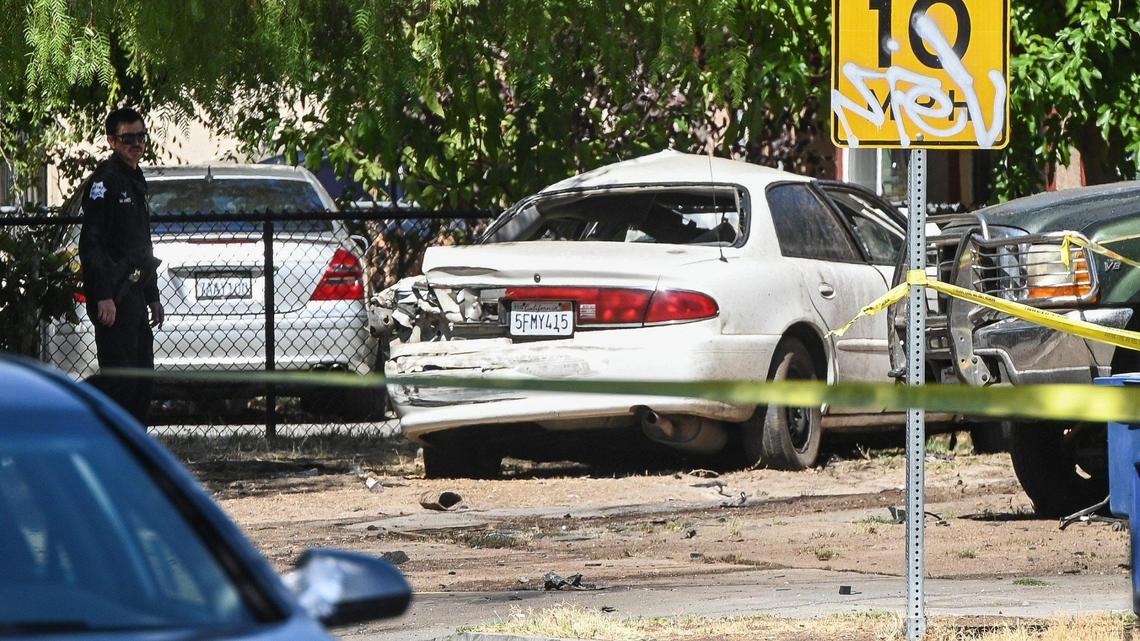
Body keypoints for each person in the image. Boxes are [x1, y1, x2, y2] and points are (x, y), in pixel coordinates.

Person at [78, 107, 164, 425]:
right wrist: (103, 295)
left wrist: (153, 295)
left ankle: (135, 456)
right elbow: (91, 243)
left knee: (143, 382)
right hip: (114, 296)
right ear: (112, 140)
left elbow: (141, 245)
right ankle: (111, 454)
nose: (136, 143)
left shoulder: (135, 179)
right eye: (128, 138)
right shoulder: (106, 181)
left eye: (141, 136)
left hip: (137, 296)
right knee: (121, 386)